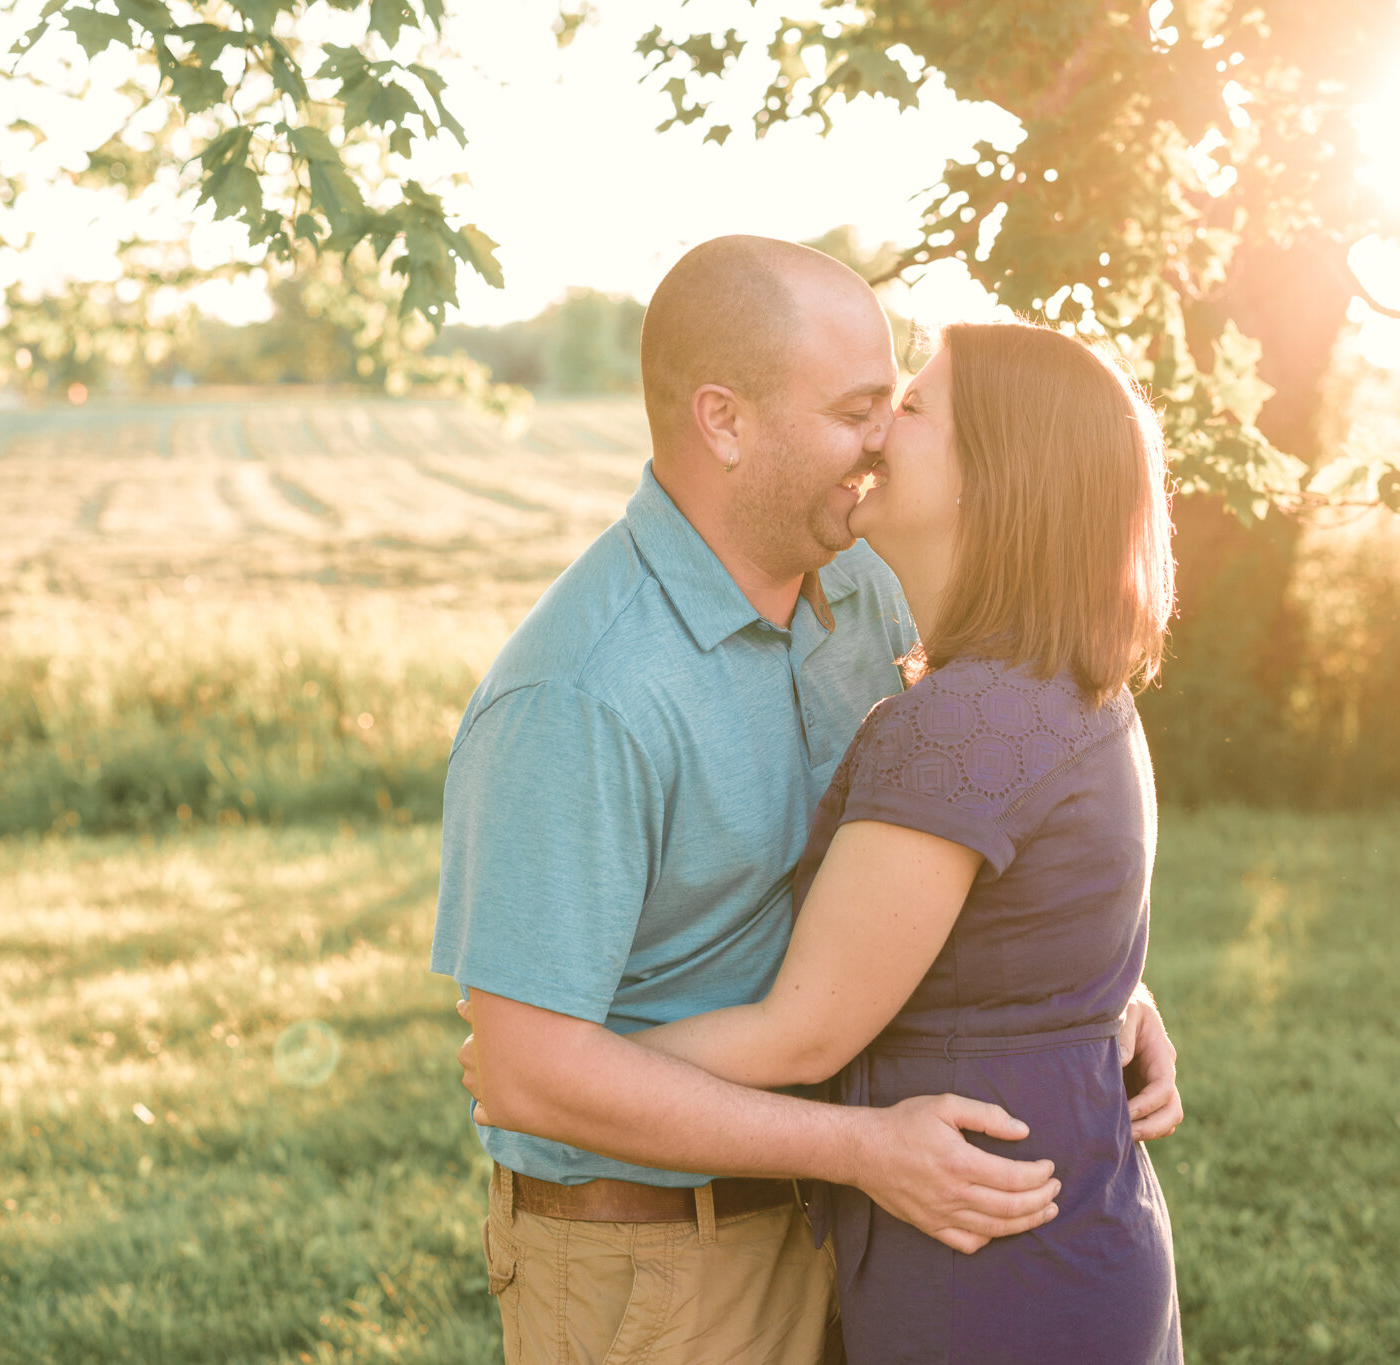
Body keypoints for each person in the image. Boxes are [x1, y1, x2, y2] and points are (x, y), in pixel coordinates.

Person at [434, 236, 1181, 1365]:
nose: (881, 439)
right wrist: (858, 1149)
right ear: (723, 420)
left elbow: (974, 834)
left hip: (866, 1208)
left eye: (896, 405)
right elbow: (528, 1072)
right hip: (662, 1259)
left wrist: (1086, 988)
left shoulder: (868, 584)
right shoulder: (579, 696)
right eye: (855, 409)